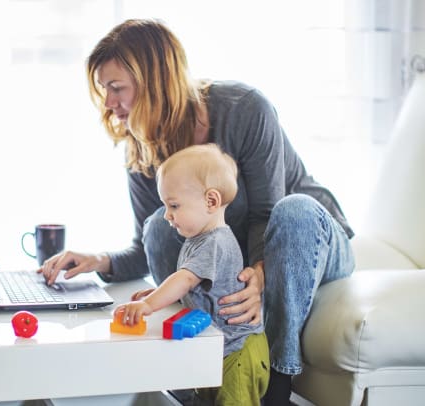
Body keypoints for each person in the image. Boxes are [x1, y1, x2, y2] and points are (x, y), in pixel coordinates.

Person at [39, 18, 355, 405]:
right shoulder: (141, 149)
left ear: (154, 80)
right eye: (105, 90)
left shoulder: (244, 109)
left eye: (116, 88)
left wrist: (259, 275)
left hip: (309, 239)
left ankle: (278, 383)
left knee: (294, 211)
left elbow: (267, 214)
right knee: (159, 224)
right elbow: (147, 246)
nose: (108, 103)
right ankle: (196, 368)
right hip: (238, 251)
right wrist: (98, 260)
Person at [114, 143, 269, 405]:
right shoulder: (198, 238)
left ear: (211, 201)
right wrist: (156, 292)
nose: (167, 215)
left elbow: (185, 279)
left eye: (174, 205)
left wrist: (148, 305)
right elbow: (193, 286)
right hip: (218, 350)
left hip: (237, 354)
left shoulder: (216, 242)